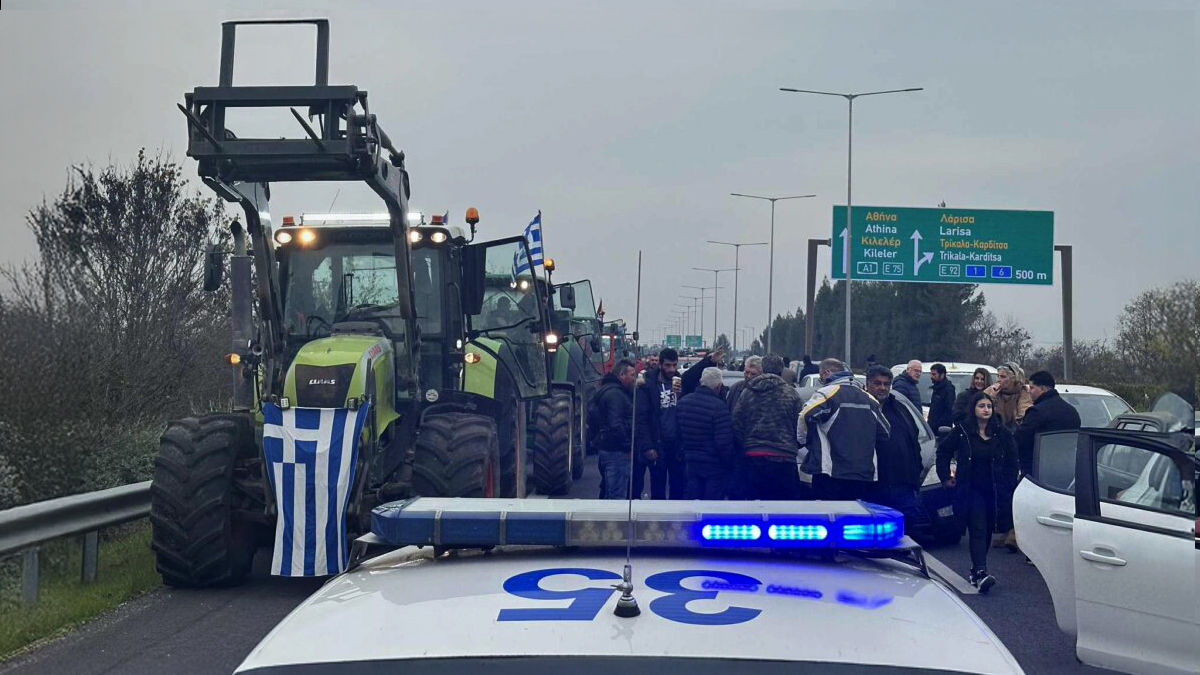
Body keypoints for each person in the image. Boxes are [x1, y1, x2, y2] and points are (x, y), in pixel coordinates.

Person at [936, 390, 1018, 594]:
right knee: (978, 527)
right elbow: (944, 451)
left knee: (988, 528)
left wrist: (1008, 484)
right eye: (982, 406)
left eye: (989, 406)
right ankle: (981, 571)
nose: (986, 410)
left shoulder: (1002, 432)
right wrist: (945, 476)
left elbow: (1012, 460)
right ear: (973, 409)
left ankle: (977, 568)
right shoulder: (963, 430)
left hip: (994, 489)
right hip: (970, 488)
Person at [799, 358, 890, 501]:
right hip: (862, 472)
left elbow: (805, 416)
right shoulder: (869, 399)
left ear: (826, 374)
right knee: (854, 518)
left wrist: (804, 440)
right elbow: (885, 432)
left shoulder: (826, 393)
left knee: (829, 516)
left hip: (829, 472)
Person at [730, 354, 804, 499]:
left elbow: (736, 423)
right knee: (783, 512)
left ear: (762, 369)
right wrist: (793, 444)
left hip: (754, 457)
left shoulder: (748, 393)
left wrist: (746, 444)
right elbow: (801, 426)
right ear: (781, 371)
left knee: (754, 510)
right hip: (785, 458)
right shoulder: (792, 394)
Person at [865, 366, 926, 529]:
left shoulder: (901, 410)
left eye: (886, 384)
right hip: (871, 488)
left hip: (902, 487)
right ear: (867, 384)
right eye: (877, 383)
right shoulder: (860, 410)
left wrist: (915, 474)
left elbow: (914, 442)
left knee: (905, 536)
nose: (882, 388)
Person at [677, 367, 736, 499]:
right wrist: (730, 464)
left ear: (700, 381)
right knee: (711, 509)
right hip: (714, 466)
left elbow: (677, 434)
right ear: (718, 386)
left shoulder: (683, 403)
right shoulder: (719, 407)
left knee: (692, 506)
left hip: (690, 463)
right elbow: (723, 443)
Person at [635, 348, 686, 499]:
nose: (671, 369)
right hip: (657, 443)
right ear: (661, 365)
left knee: (678, 486)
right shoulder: (649, 385)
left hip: (676, 444)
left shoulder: (680, 383)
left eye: (674, 365)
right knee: (658, 487)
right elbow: (642, 418)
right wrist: (647, 445)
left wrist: (682, 395)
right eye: (668, 365)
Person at [591, 359, 644, 499]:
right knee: (617, 496)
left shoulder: (608, 390)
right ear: (622, 375)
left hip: (607, 448)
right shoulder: (616, 395)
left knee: (610, 492)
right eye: (632, 375)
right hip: (616, 451)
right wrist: (627, 447)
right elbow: (615, 424)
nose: (635, 379)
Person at [1014, 371, 1081, 477]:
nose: (1029, 392)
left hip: (1038, 471)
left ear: (1042, 389)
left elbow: (1020, 440)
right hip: (1068, 470)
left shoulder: (1037, 412)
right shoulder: (1072, 412)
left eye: (1032, 388)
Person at [985, 362, 1032, 431]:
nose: (998, 380)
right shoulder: (991, 390)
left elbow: (1024, 414)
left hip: (1016, 431)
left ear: (1013, 378)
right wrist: (992, 397)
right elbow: (982, 411)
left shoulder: (1023, 391)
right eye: (998, 376)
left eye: (1003, 377)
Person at [927, 363, 956, 434]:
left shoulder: (948, 390)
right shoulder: (937, 388)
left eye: (934, 374)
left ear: (942, 375)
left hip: (942, 431)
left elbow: (949, 411)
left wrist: (937, 425)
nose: (931, 377)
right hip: (932, 429)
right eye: (931, 374)